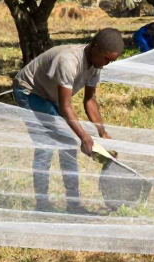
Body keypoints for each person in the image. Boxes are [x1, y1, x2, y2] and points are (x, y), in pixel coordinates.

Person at [12, 28, 123, 213]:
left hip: (51, 96)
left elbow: (89, 100)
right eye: (106, 59)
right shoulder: (69, 61)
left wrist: (102, 132)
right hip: (30, 91)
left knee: (68, 144)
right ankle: (42, 204)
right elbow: (65, 107)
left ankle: (73, 204)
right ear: (95, 48)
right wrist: (84, 137)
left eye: (111, 61)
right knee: (46, 145)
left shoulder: (96, 65)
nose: (106, 64)